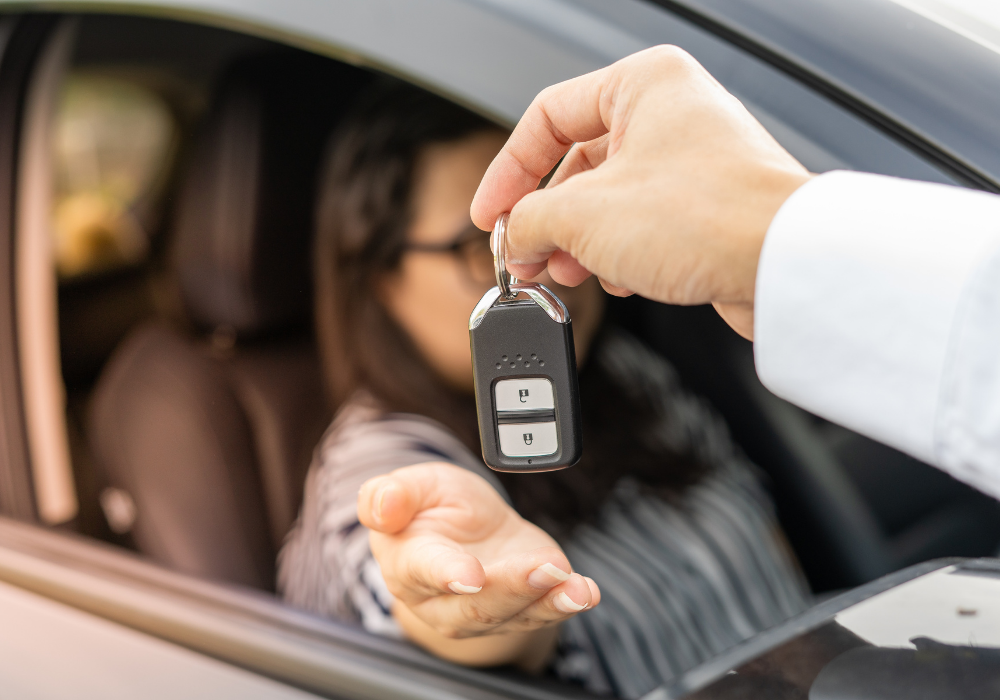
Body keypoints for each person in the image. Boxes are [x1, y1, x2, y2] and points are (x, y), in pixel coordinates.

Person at [279, 81, 810, 699]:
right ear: (380, 279)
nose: (537, 271)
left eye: (551, 224)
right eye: (488, 246)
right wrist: (474, 595)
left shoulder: (621, 372)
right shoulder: (379, 464)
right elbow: (436, 606)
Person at [470, 46, 1000, 502]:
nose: (553, 272)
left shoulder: (641, 377)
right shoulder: (408, 454)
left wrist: (764, 236)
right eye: (463, 246)